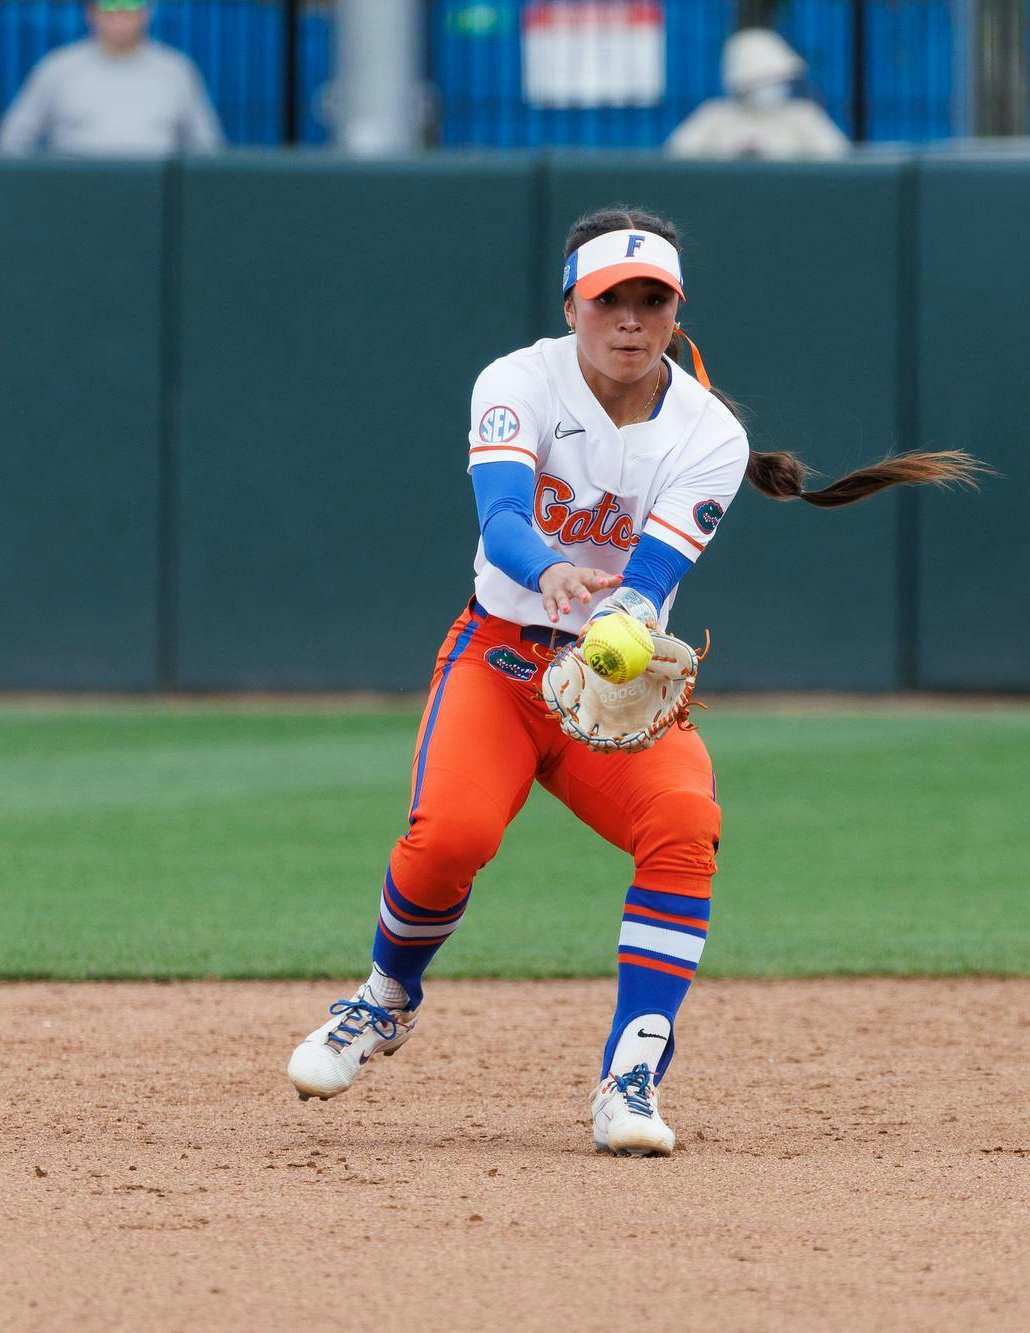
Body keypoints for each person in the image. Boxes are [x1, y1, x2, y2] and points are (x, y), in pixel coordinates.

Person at [285, 208, 978, 1156]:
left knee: (685, 826)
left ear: (676, 312)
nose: (630, 319)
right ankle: (384, 998)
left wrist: (618, 616)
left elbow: (652, 573)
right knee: (450, 836)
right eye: (611, 298)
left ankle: (632, 1071)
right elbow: (500, 519)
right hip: (499, 653)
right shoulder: (516, 381)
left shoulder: (709, 433)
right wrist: (552, 572)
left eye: (652, 300)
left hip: (614, 675)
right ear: (572, 302)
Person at [0, 0, 223, 156]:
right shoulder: (58, 68)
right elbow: (13, 141)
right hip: (72, 198)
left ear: (146, 12)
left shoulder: (176, 70)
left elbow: (207, 147)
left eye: (128, 8)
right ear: (90, 13)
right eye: (109, 9)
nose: (119, 19)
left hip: (157, 201)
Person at [666, 28, 851, 161]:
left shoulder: (803, 115)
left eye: (778, 79)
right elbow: (677, 154)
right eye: (763, 81)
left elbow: (836, 156)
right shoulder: (715, 114)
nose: (773, 88)